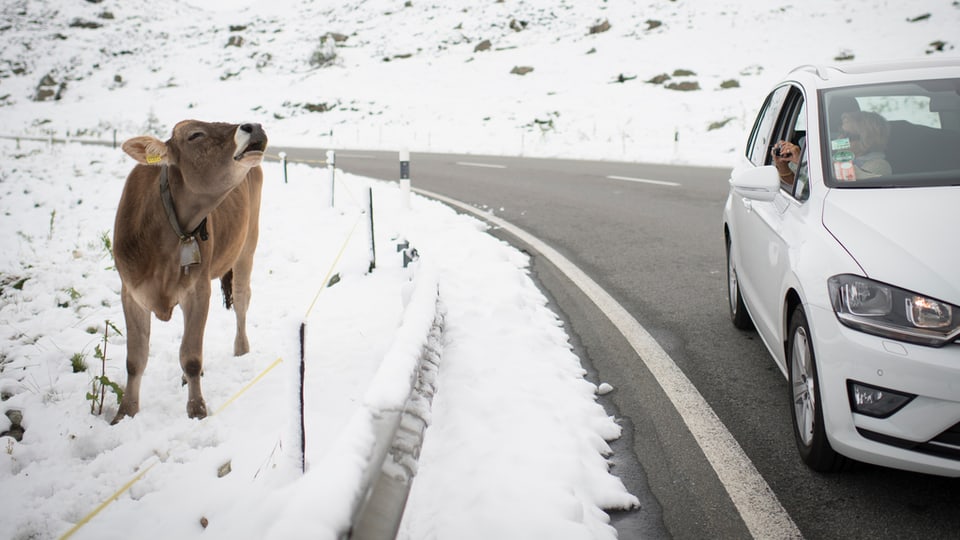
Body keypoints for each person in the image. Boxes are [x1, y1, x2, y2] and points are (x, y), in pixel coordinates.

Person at [837, 111, 892, 179]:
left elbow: (849, 179)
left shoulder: (880, 165)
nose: (839, 139)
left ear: (867, 140)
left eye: (847, 135)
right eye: (840, 133)